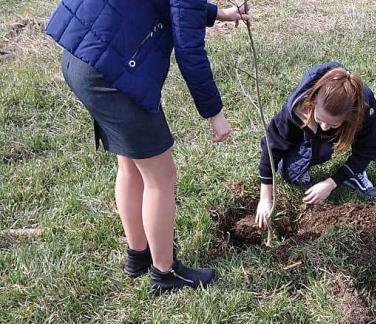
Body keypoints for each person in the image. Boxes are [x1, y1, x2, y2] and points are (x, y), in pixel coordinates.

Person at [45, 0, 250, 293]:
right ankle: (165, 274)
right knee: (161, 178)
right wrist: (214, 113)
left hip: (82, 54)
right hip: (111, 73)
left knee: (129, 164)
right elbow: (189, 50)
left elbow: (173, 4)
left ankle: (138, 255)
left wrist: (218, 13)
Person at [256, 62, 376, 228]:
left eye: (333, 124)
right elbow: (271, 147)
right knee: (313, 157)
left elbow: (367, 149)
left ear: (350, 116)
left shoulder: (363, 106)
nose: (324, 127)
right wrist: (265, 199)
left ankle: (353, 175)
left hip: (346, 123)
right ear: (313, 102)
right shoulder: (298, 106)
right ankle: (292, 160)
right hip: (307, 129)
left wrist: (332, 182)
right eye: (321, 119)